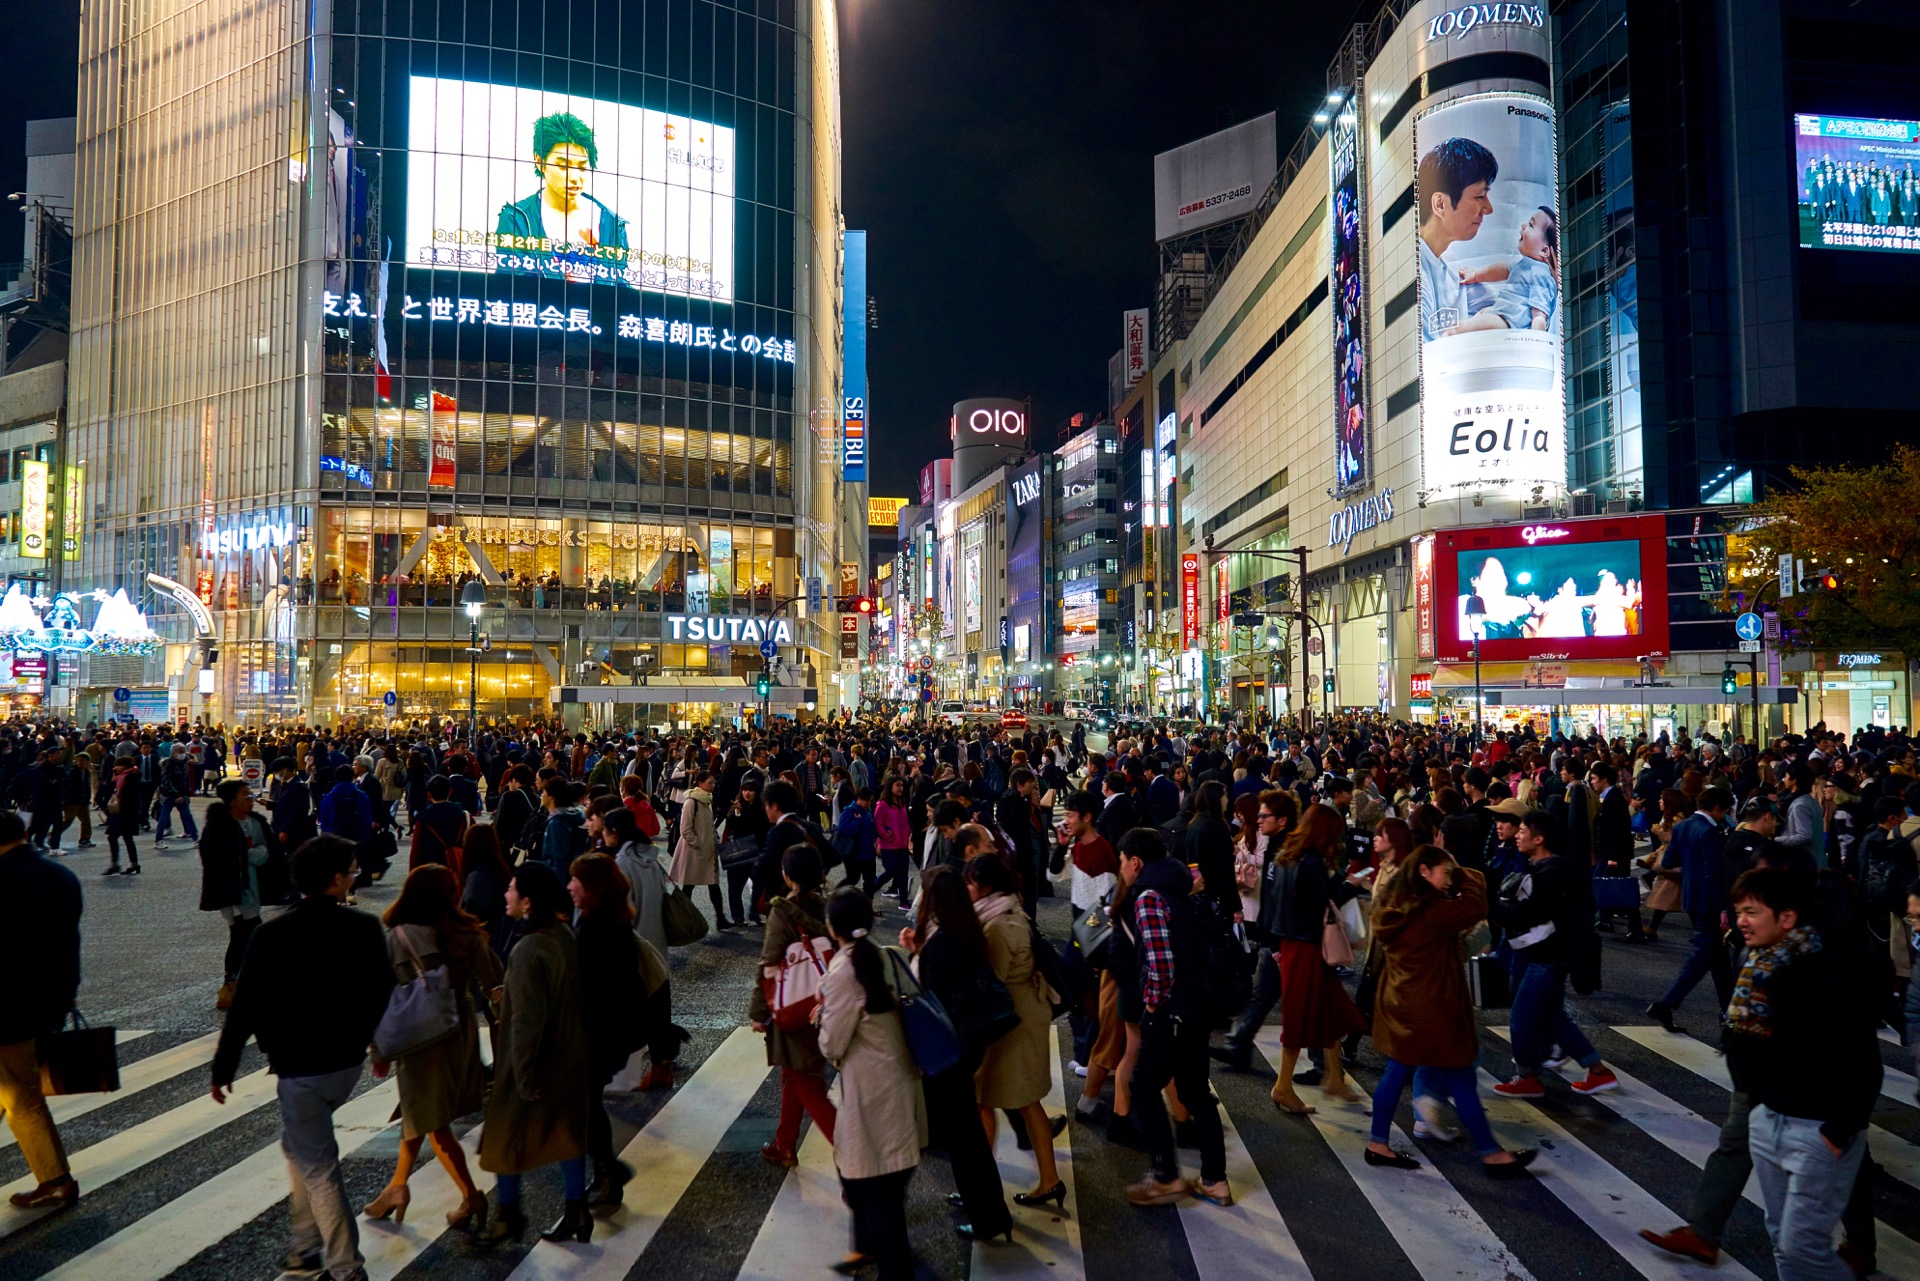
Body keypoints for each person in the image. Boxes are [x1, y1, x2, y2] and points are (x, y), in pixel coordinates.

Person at [211, 836, 393, 1281]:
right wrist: (379, 1045)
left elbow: (245, 1006)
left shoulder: (270, 934)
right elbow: (383, 994)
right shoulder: (364, 928)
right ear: (335, 881)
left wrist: (223, 1068)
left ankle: (345, 1266)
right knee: (298, 1148)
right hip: (346, 1061)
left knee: (319, 1168)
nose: (353, 877)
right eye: (351, 872)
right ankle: (305, 1245)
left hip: (299, 1065)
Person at [1729, 867, 1884, 1281]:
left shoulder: (1826, 971)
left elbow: (1864, 1061)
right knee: (1782, 1240)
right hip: (1770, 1120)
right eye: (1739, 911)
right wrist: (1759, 1105)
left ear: (1787, 918)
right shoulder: (1757, 968)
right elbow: (1743, 1047)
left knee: (1803, 1247)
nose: (1741, 921)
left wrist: (1839, 1130)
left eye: (1752, 912)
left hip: (1819, 1131)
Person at [1363, 845, 1536, 1176]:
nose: (1447, 880)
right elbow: (1475, 905)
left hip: (1402, 1003)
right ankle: (1491, 1154)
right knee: (1461, 1078)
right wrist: (1462, 872)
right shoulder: (1432, 911)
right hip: (1434, 1008)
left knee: (1396, 1073)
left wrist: (1448, 874)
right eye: (1442, 873)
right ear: (1424, 872)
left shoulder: (1398, 905)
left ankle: (1377, 1143)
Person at [363, 865, 501, 1234]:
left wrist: (378, 1048)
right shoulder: (466, 934)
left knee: (432, 1121)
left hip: (417, 1041)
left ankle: (471, 1195)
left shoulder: (397, 938)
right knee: (418, 1112)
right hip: (459, 1035)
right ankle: (396, 1188)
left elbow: (379, 997)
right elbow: (494, 983)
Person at [477, 861, 593, 1246]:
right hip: (569, 1052)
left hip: (532, 1064)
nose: (506, 895)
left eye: (511, 889)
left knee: (503, 1138)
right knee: (566, 1132)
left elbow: (526, 1022)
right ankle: (577, 1209)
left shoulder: (528, 950)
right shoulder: (562, 934)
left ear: (527, 902)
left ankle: (507, 1216)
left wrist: (524, 1077)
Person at [1116, 828, 1231, 1208]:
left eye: (1122, 862)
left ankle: (1165, 1176)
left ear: (1135, 862)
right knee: (1196, 1090)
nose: (1121, 869)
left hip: (1171, 1012)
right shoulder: (1180, 885)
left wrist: (1152, 1005)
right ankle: (1214, 1179)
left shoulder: (1148, 897)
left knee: (1144, 1086)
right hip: (1198, 1005)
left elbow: (1161, 963)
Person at [898, 865, 1013, 1242]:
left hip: (948, 1051)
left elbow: (927, 995)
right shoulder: (965, 931)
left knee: (964, 1143)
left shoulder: (943, 942)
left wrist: (917, 954)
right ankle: (987, 1208)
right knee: (968, 1138)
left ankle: (988, 1218)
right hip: (968, 1044)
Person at [818, 887, 927, 1280]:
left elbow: (832, 1042)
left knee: (874, 1185)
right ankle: (866, 1247)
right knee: (873, 1177)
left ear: (834, 928)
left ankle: (895, 1270)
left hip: (869, 1090)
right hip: (895, 1081)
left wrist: (822, 1017)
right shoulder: (885, 957)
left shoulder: (842, 972)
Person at [1490, 811, 1620, 1096]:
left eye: (1523, 830)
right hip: (1538, 956)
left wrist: (1495, 907)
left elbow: (1528, 913)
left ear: (1539, 838)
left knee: (1522, 1017)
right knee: (1551, 1016)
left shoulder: (1553, 872)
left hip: (1547, 958)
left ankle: (1528, 1077)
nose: (1518, 834)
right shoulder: (1537, 866)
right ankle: (1597, 1070)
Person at [966, 854, 1064, 1208]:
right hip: (1022, 1014)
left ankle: (984, 1184)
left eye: (970, 884)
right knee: (1013, 1101)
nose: (967, 890)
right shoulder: (1009, 910)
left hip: (1013, 1022)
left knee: (999, 1101)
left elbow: (991, 983)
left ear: (986, 887)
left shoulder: (996, 926)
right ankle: (1043, 1179)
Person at [0, 809, 83, 1211]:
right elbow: (70, 941)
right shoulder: (60, 876)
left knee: (22, 1096)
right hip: (49, 998)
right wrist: (67, 993)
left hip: (7, 1005)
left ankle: (55, 1180)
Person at [1266, 804, 1366, 1114]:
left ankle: (1334, 1076)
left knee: (1330, 1011)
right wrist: (1350, 886)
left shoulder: (1287, 854)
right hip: (1306, 947)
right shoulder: (1309, 862)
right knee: (1300, 1018)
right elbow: (1322, 904)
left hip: (1292, 942)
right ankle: (1282, 1086)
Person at [748, 843, 838, 1167]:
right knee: (793, 1073)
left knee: (808, 1085)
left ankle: (855, 1158)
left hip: (794, 1007)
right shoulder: (828, 908)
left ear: (787, 877)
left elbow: (769, 964)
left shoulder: (783, 912)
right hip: (825, 1001)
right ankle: (784, 1143)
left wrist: (759, 1012)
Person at [567, 853, 648, 1208]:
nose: (570, 886)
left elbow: (592, 988)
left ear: (593, 889)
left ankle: (607, 1172)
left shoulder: (598, 930)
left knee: (583, 1104)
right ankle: (607, 1171)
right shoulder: (611, 922)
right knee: (587, 1102)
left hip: (597, 1033)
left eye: (576, 882)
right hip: (609, 1031)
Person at [1213, 789, 1299, 1069]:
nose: (1259, 820)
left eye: (1265, 816)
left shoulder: (1289, 850)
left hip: (1287, 938)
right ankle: (1238, 1043)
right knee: (1262, 993)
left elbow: (1285, 898)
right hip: (1274, 935)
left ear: (1282, 820)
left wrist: (1275, 941)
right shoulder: (1277, 844)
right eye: (1258, 815)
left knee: (1306, 1001)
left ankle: (1325, 1059)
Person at [1646, 787, 1736, 1033]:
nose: (1725, 815)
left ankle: (1730, 1011)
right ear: (1716, 807)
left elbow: (1669, 861)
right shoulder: (1711, 832)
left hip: (1690, 896)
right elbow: (1713, 873)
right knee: (1703, 956)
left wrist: (1690, 863)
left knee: (1717, 959)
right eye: (1725, 810)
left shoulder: (1684, 826)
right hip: (1709, 901)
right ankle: (1666, 1003)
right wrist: (1723, 908)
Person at [494, 112, 631, 269]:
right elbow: (510, 287)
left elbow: (621, 288)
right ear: (540, 161)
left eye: (581, 166)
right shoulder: (517, 219)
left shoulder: (612, 224)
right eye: (563, 166)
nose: (574, 177)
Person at [199, 779, 290, 1011]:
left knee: (244, 935)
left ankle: (239, 980)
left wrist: (246, 854)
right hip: (229, 889)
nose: (251, 800)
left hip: (253, 886)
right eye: (245, 796)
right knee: (247, 933)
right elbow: (216, 858)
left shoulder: (256, 822)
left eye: (251, 795)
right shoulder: (219, 825)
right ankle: (235, 981)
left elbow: (266, 852)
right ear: (232, 800)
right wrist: (246, 854)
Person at [669, 769, 724, 926]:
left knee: (712, 884)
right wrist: (697, 843)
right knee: (689, 886)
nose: (713, 785)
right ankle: (685, 918)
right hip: (694, 852)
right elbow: (685, 829)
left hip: (706, 851)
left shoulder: (706, 800)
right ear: (700, 784)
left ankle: (720, 918)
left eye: (714, 782)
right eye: (710, 782)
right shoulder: (692, 802)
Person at [409, 775, 470, 873]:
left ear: (429, 795)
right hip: (457, 868)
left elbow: (415, 854)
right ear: (450, 791)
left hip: (431, 869)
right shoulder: (464, 815)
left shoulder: (422, 819)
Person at [874, 776, 915, 909]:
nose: (900, 788)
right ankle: (870, 890)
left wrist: (908, 831)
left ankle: (904, 901)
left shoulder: (902, 802)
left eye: (902, 786)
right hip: (889, 845)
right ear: (890, 786)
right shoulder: (883, 805)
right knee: (891, 871)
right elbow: (878, 823)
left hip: (902, 844)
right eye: (897, 785)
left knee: (903, 873)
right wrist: (886, 835)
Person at [153, 743, 202, 845]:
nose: (182, 754)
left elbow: (185, 780)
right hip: (170, 795)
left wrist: (186, 794)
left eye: (183, 751)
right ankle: (158, 840)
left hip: (182, 795)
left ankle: (196, 838)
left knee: (188, 816)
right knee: (164, 817)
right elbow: (167, 782)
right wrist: (176, 795)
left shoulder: (184, 764)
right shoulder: (168, 764)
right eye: (180, 751)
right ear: (174, 752)